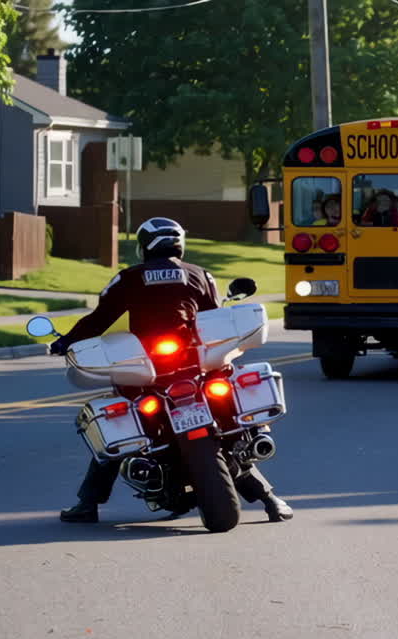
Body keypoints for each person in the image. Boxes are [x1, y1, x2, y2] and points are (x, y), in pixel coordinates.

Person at [52, 217, 294, 524]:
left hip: (148, 371)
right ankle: (270, 499)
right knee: (230, 429)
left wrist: (66, 341)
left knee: (121, 425)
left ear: (143, 247)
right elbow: (213, 318)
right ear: (179, 244)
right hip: (197, 366)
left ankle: (88, 504)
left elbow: (99, 319)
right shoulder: (199, 274)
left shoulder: (128, 278)